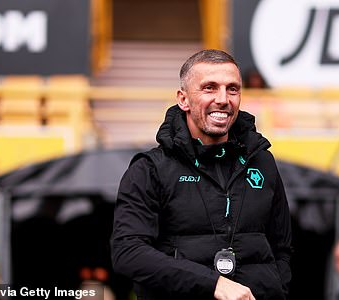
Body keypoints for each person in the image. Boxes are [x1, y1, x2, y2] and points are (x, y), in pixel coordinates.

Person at [111, 49, 292, 300]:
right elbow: (128, 252)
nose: (223, 99)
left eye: (232, 89)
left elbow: (282, 249)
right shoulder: (149, 168)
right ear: (183, 99)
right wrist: (214, 284)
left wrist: (275, 288)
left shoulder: (263, 161)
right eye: (209, 88)